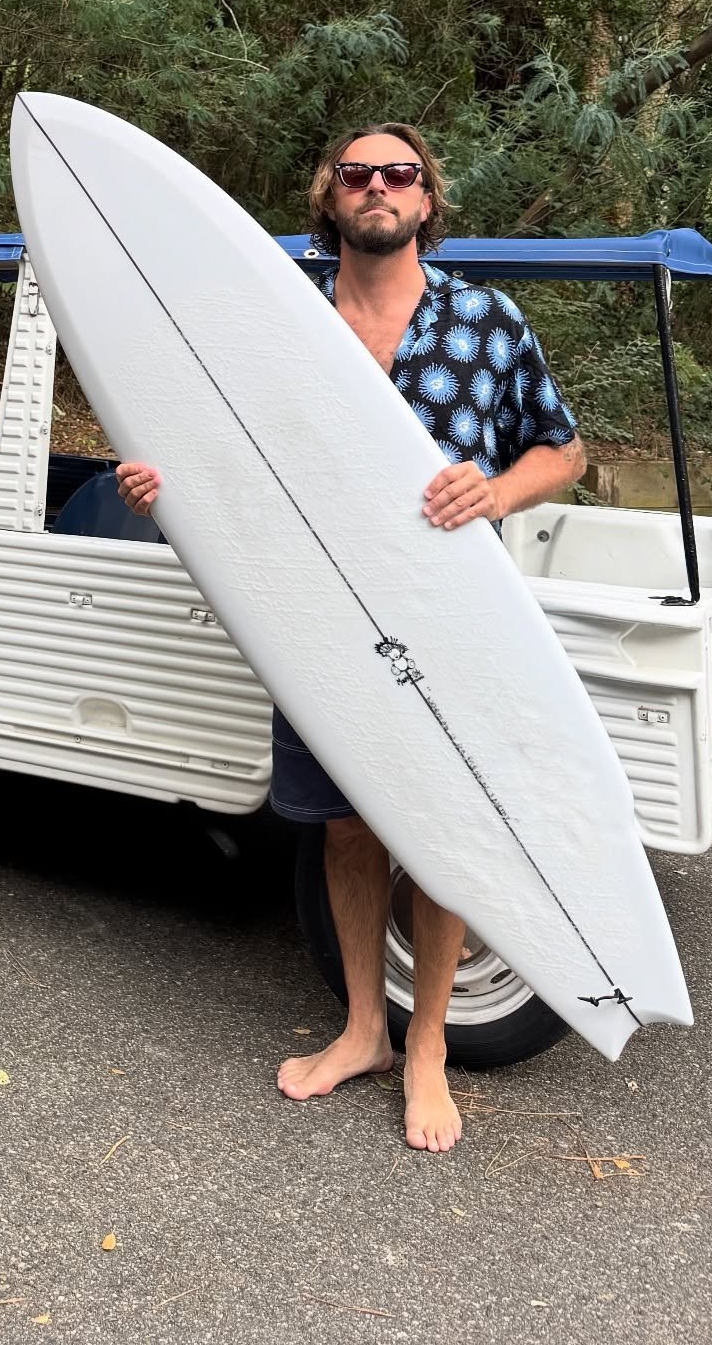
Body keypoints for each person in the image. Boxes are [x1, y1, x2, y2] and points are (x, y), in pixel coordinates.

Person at [115, 123, 586, 1154]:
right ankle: (366, 1029)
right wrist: (162, 487)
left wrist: (497, 490)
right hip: (316, 618)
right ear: (329, 199)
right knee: (344, 830)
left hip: (448, 619)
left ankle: (428, 1052)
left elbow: (564, 451)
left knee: (444, 830)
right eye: (357, 174)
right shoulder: (277, 319)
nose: (378, 187)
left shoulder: (485, 322)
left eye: (399, 174)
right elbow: (219, 452)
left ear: (427, 200)